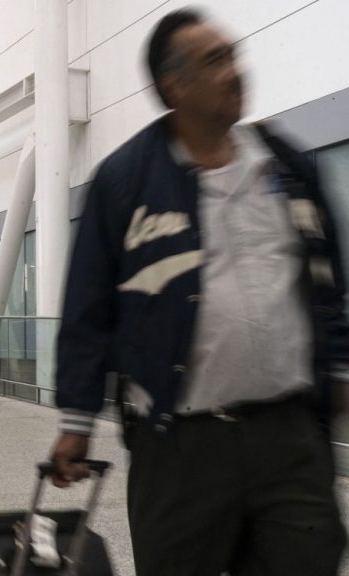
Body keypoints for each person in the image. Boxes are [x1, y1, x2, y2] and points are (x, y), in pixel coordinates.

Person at [50, 9, 348, 576]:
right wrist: (76, 421)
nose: (236, 71)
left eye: (233, 56)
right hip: (179, 448)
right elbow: (88, 308)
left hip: (289, 440)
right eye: (216, 60)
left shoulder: (283, 167)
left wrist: (336, 365)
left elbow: (327, 280)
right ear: (174, 85)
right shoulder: (125, 182)